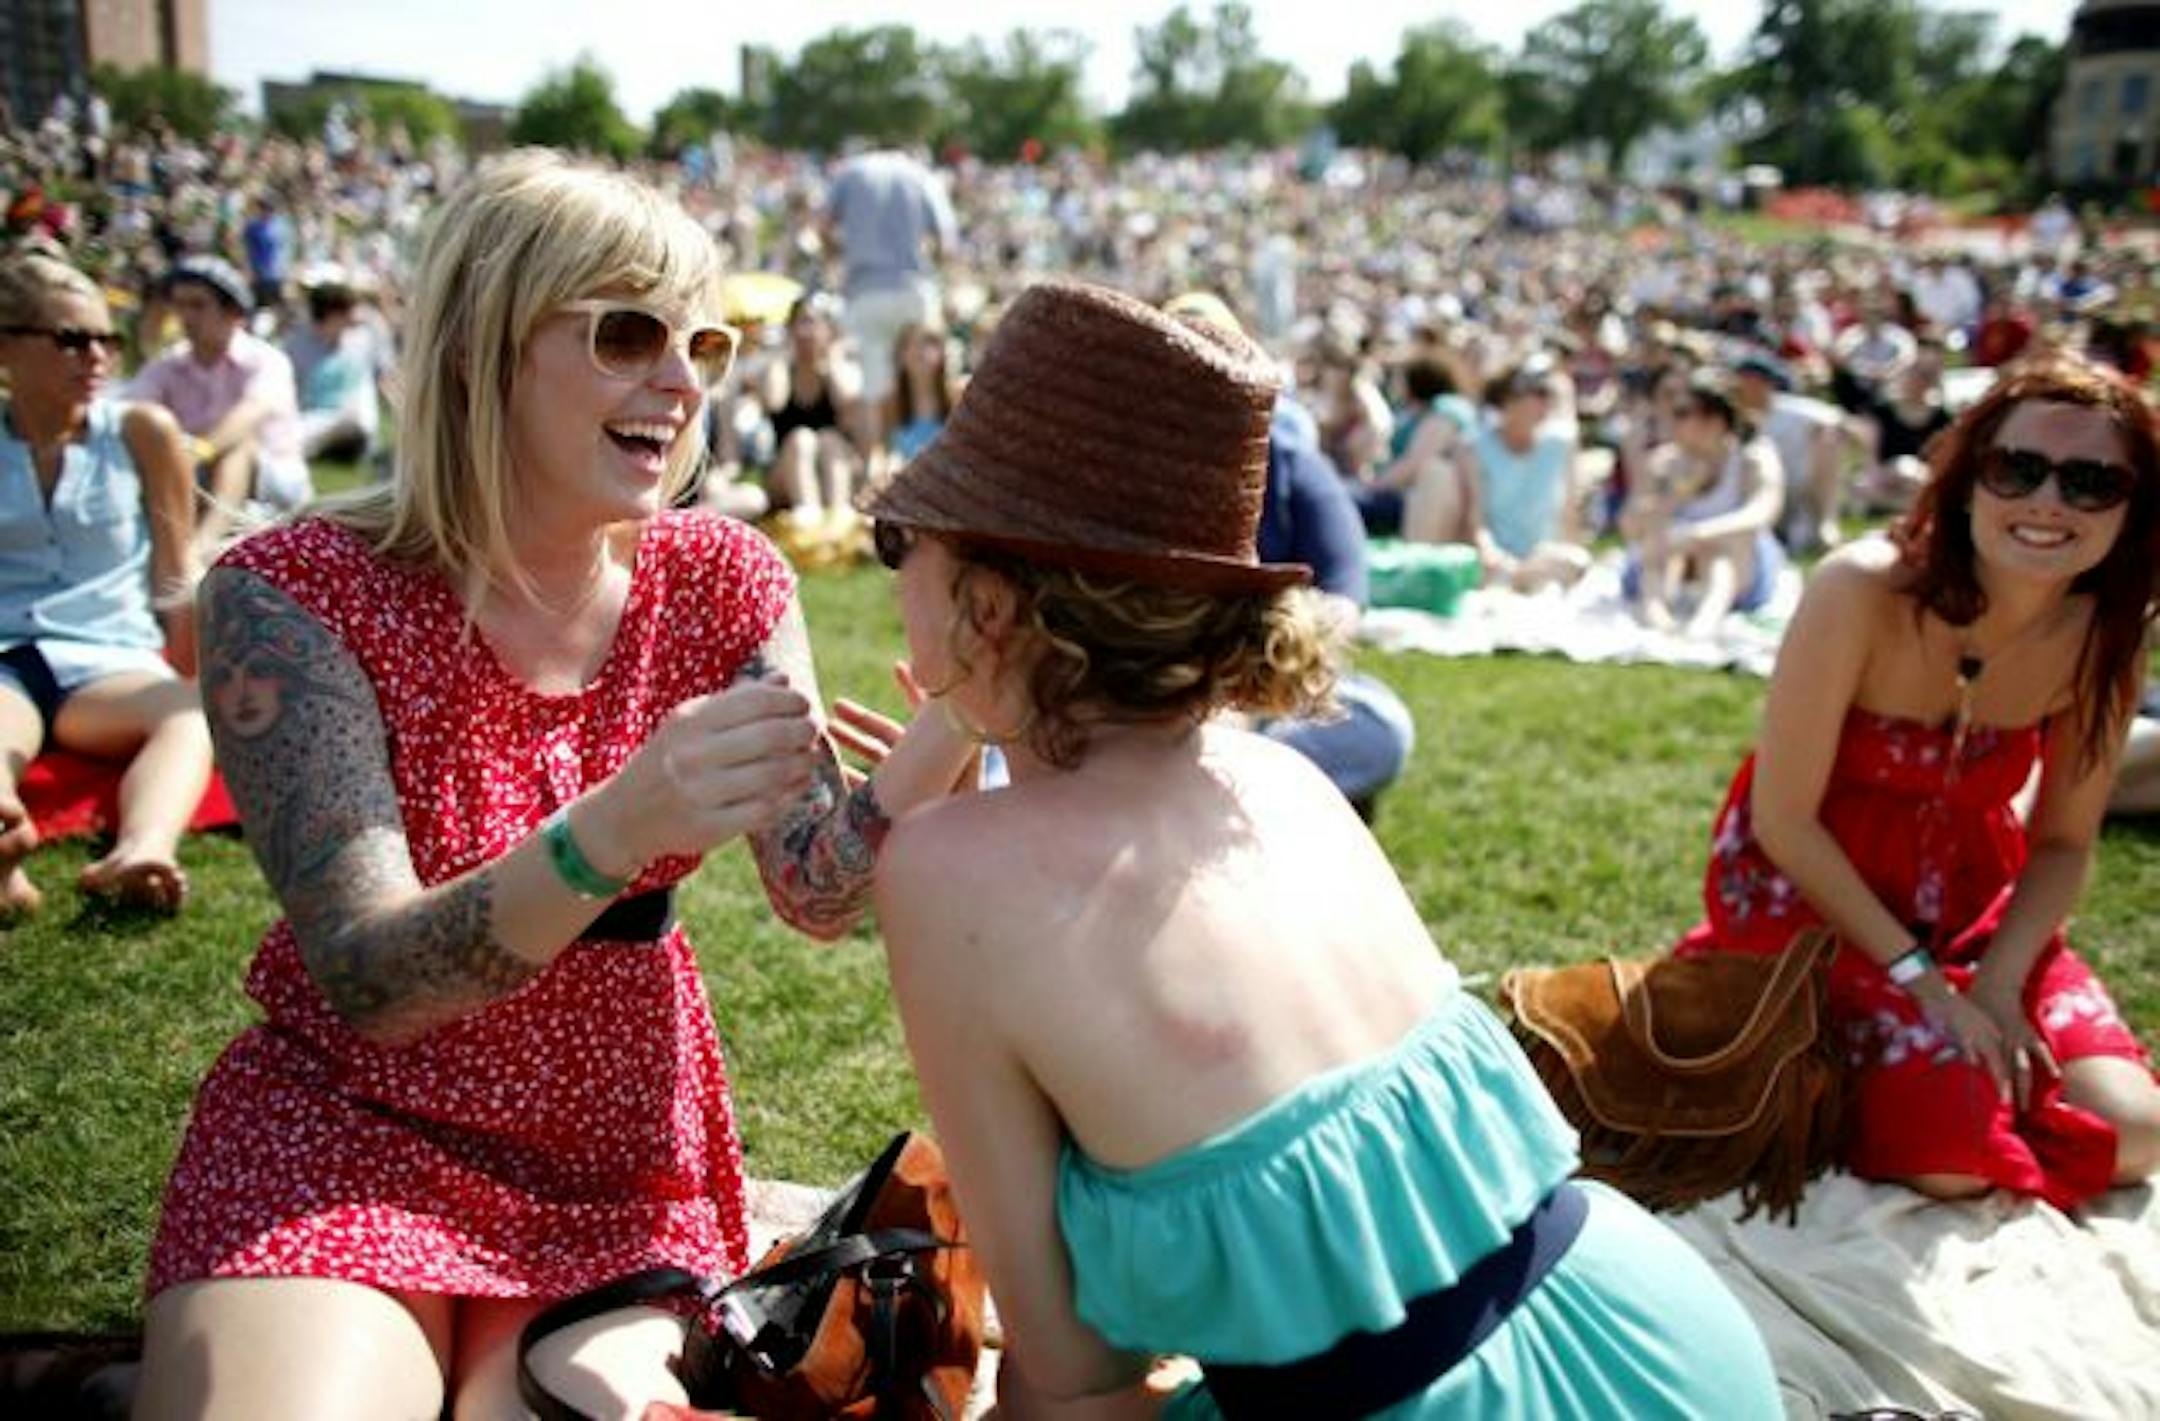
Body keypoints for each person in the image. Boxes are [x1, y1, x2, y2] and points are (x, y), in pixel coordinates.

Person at [134, 151, 977, 1420]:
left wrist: (960, 715)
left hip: (617, 1154)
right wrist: (617, 825)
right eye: (628, 333)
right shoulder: (292, 591)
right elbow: (370, 978)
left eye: (707, 341)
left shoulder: (723, 578)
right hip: (352, 1127)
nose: (683, 380)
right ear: (481, 345)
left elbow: (815, 885)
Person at [862, 280, 1780, 1419]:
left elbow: (1069, 1377)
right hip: (1652, 1332)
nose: (887, 566)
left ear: (987, 602)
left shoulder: (949, 868)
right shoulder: (1281, 779)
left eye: (900, 536)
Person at [1670, 353, 2160, 1209]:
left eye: (2092, 482)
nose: (2048, 501)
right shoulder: (1859, 588)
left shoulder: (2104, 633)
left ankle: (1948, 1083)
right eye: (2018, 468)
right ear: (1969, 479)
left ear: (2132, 506)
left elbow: (2064, 841)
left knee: (2136, 1132)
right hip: (1812, 901)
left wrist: (2000, 985)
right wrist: (1923, 985)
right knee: (1957, 1152)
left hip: (1974, 911)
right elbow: (1783, 819)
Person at [0, 248, 209, 915]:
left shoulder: (144, 431)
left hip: (108, 657)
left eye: (105, 340)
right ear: (7, 347)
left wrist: (193, 659)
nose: (94, 356)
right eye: (70, 339)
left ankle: (142, 850)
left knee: (187, 715)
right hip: (6, 655)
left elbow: (177, 566)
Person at [130, 254, 311, 555]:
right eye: (180, 305)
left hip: (274, 481)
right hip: (196, 477)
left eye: (198, 305)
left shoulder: (266, 361)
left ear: (233, 313)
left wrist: (197, 452)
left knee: (238, 445)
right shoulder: (168, 364)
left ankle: (200, 548)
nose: (186, 316)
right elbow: (132, 409)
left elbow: (249, 414)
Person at [1619, 370, 1785, 637]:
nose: (1674, 421)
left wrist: (1698, 533)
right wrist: (1675, 496)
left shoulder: (1753, 457)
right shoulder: (1663, 462)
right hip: (1668, 563)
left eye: (1683, 413)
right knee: (1659, 528)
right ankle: (1657, 613)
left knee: (1718, 550)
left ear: (1716, 420)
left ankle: (1705, 622)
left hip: (1737, 566)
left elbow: (1763, 512)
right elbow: (1629, 525)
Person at [824, 147, 956, 446]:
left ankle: (874, 466)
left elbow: (823, 226)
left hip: (864, 291)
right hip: (914, 289)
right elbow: (946, 241)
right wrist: (939, 278)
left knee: (871, 389)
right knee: (928, 379)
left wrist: (835, 258)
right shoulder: (921, 174)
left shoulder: (849, 171)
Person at [1459, 361, 1591, 592]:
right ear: (1508, 401)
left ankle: (1523, 579)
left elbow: (1571, 513)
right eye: (1537, 393)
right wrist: (1490, 553)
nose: (1545, 402)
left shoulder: (1561, 443)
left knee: (1575, 561)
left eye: (1547, 394)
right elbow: (1476, 520)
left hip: (1544, 554)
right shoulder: (1477, 447)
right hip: (1498, 557)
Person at [759, 290, 865, 526]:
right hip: (787, 474)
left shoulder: (843, 370)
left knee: (829, 438)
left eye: (813, 323)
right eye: (799, 323)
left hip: (833, 469)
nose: (805, 332)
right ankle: (808, 512)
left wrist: (831, 360)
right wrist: (786, 357)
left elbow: (849, 406)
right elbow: (773, 401)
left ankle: (839, 513)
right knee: (801, 438)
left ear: (829, 329)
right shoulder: (779, 368)